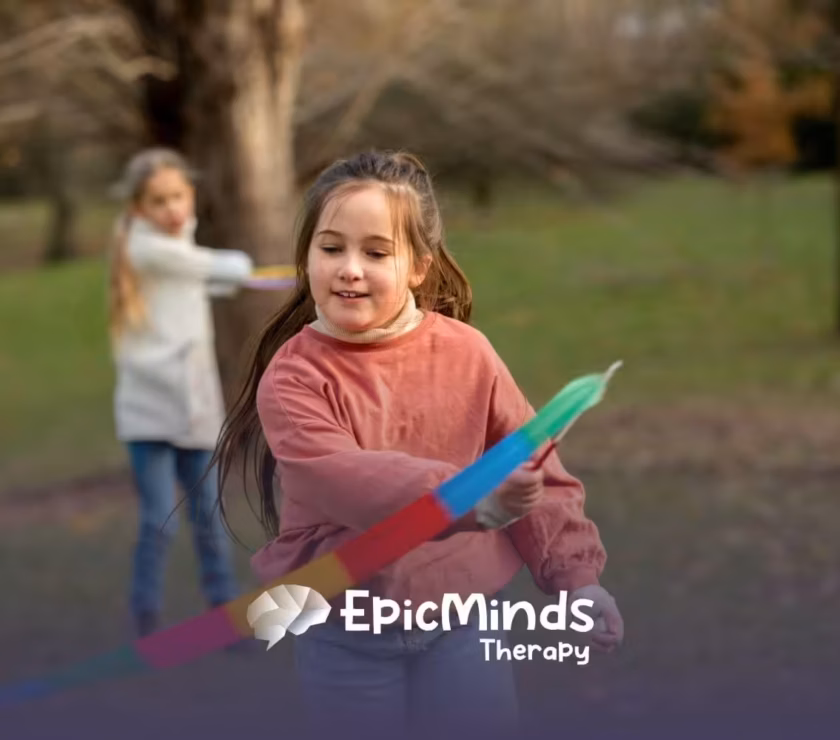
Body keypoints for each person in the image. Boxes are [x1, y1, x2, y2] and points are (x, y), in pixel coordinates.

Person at [214, 150, 623, 739]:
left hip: (464, 619)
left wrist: (578, 579)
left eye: (376, 253)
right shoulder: (294, 376)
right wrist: (470, 498)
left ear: (417, 267)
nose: (349, 269)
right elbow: (343, 479)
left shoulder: (467, 353)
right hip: (343, 628)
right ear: (306, 259)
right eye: (331, 248)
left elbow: (537, 470)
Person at [107, 147, 253, 638]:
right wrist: (239, 270)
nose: (172, 209)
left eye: (178, 196)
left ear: (190, 194)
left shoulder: (173, 250)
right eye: (158, 201)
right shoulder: (145, 248)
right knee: (160, 520)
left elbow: (199, 283)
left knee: (210, 516)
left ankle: (224, 614)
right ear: (138, 208)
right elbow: (230, 267)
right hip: (149, 412)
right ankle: (145, 614)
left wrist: (222, 280)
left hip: (194, 408)